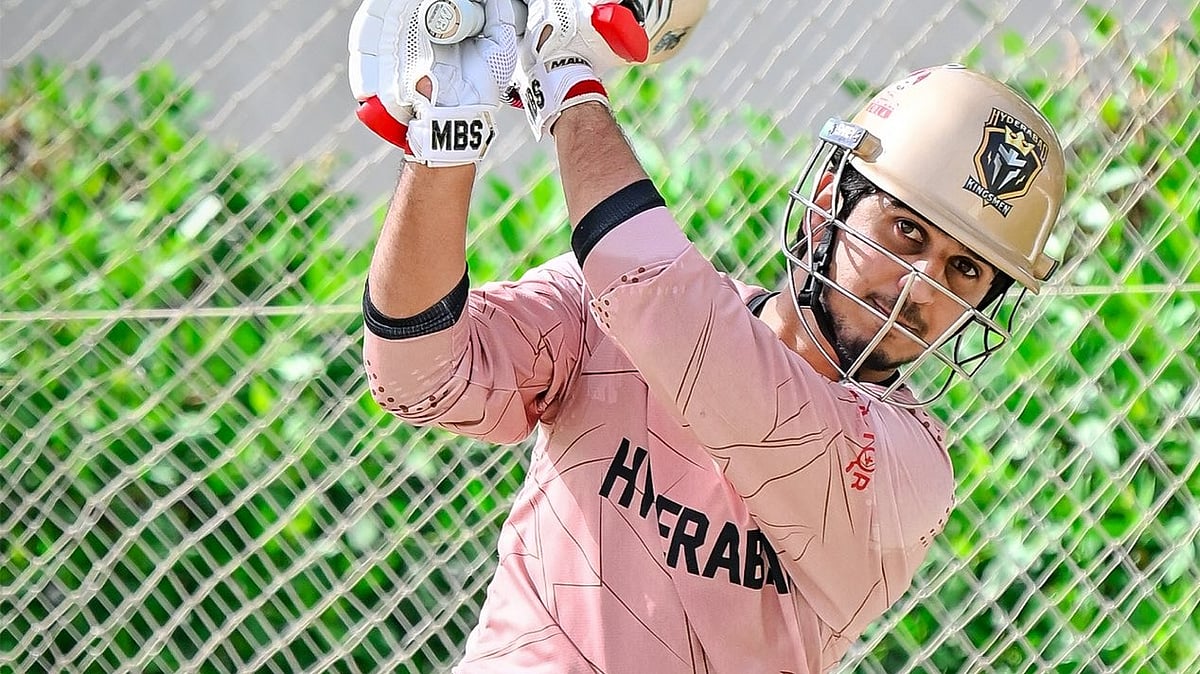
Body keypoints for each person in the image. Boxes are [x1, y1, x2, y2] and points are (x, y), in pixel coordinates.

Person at [349, 0, 1066, 670]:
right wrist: (444, 140)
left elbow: (675, 323)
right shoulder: (598, 301)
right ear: (827, 206)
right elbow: (419, 375)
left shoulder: (909, 471)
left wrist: (566, 75)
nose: (919, 286)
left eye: (965, 270)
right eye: (905, 230)